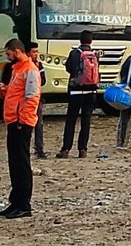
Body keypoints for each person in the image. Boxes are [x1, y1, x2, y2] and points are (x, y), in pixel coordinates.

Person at [0, 39, 41, 219]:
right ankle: (15, 202)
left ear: (16, 51)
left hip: (22, 122)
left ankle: (24, 204)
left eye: (8, 54)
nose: (7, 57)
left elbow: (31, 98)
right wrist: (5, 89)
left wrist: (22, 119)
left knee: (21, 163)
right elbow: (18, 94)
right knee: (14, 163)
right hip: (14, 120)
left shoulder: (29, 70)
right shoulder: (18, 69)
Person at [57, 30, 98, 159]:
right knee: (86, 120)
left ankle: (66, 149)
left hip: (75, 91)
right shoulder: (95, 55)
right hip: (91, 91)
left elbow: (69, 68)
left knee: (71, 120)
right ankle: (82, 149)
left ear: (80, 40)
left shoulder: (74, 53)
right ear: (91, 41)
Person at [28, 42, 47, 159]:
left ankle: (39, 149)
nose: (36, 54)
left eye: (37, 52)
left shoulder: (39, 65)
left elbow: (44, 80)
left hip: (37, 98)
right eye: (34, 52)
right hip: (26, 100)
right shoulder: (23, 66)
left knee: (39, 125)